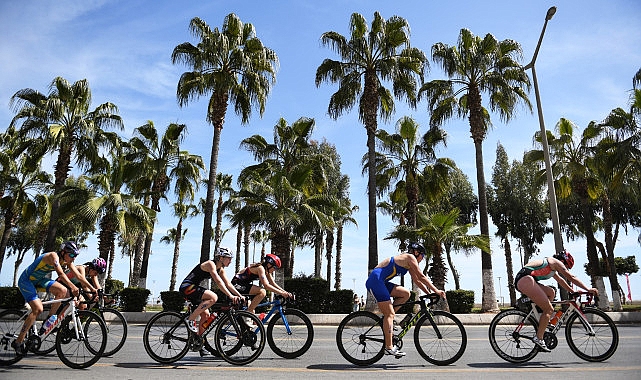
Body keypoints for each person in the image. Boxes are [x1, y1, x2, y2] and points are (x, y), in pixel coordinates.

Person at [365, 242, 446, 358]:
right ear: (417, 252)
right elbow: (422, 276)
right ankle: (388, 347)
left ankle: (388, 320)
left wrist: (429, 293)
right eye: (422, 256)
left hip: (381, 281)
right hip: (375, 281)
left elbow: (417, 281)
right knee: (389, 314)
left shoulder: (408, 263)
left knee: (405, 294)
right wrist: (437, 290)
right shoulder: (410, 257)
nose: (422, 259)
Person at [514, 249, 598, 352]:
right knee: (548, 309)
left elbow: (561, 280)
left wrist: (572, 291)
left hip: (527, 280)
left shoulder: (552, 269)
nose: (565, 269)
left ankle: (544, 320)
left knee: (551, 293)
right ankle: (539, 338)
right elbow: (570, 277)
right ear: (563, 261)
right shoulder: (554, 262)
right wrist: (588, 289)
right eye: (566, 266)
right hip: (525, 279)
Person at [13, 241, 83, 354]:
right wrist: (73, 287)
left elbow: (79, 275)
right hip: (26, 280)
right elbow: (60, 274)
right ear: (63, 252)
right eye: (71, 255)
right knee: (38, 309)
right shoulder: (53, 256)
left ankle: (48, 321)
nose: (73, 258)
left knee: (63, 291)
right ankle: (18, 341)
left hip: (39, 280)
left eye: (75, 256)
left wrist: (93, 290)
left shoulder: (66, 260)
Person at [179, 247, 244, 336]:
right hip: (187, 287)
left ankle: (199, 341)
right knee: (213, 297)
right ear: (221, 258)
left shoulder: (220, 269)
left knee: (206, 316)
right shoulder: (210, 264)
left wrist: (239, 295)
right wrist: (230, 296)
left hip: (194, 288)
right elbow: (218, 282)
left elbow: (228, 284)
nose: (230, 261)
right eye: (229, 258)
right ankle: (191, 318)